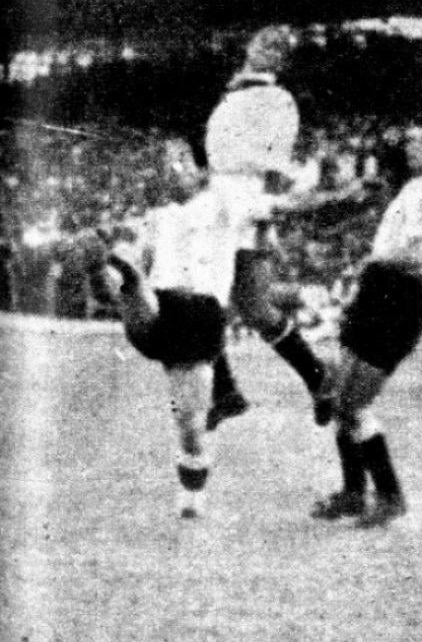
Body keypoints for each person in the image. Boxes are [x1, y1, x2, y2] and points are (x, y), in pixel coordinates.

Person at [311, 120, 422, 527]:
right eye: (413, 138)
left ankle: (389, 495)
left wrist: (380, 262)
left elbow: (419, 246)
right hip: (379, 290)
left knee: (353, 403)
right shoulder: (412, 188)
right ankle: (355, 492)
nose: (413, 144)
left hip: (396, 296)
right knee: (342, 400)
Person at [103, 148, 242, 519]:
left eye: (181, 160)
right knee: (133, 285)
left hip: (199, 314)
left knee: (189, 425)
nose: (171, 167)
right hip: (158, 305)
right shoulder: (158, 217)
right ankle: (130, 284)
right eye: (167, 161)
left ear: (202, 171)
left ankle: (192, 493)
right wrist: (122, 266)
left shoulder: (221, 206)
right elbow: (142, 248)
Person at [205, 26, 331, 426]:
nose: (268, 49)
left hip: (244, 202)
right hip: (222, 197)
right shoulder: (235, 92)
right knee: (256, 308)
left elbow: (276, 161)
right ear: (249, 44)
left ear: (282, 61)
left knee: (207, 298)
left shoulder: (277, 98)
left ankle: (227, 391)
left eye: (278, 48)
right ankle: (316, 379)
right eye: (263, 40)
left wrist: (264, 211)